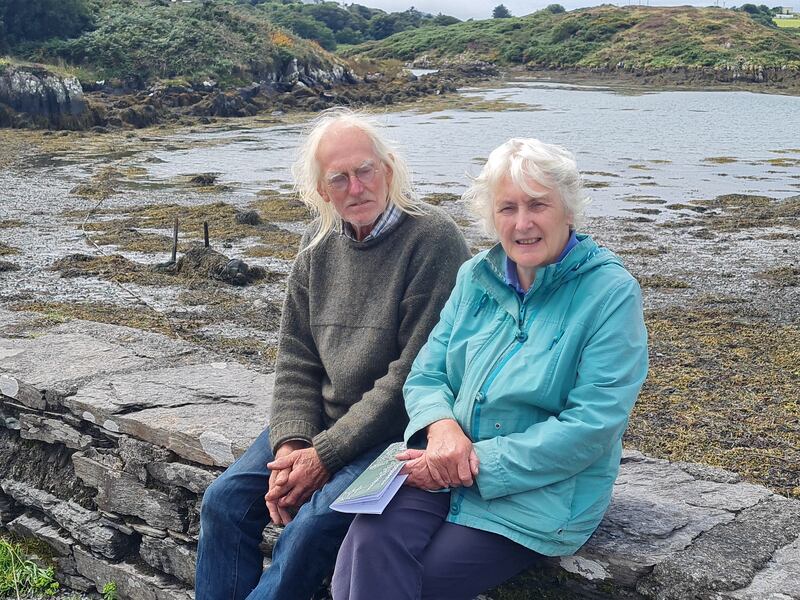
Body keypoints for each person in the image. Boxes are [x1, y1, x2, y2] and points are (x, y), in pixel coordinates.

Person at [332, 138, 649, 600]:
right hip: (443, 462)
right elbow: (426, 373)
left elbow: (592, 426)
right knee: (363, 549)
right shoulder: (475, 275)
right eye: (507, 208)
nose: (523, 223)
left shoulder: (610, 293)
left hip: (540, 489)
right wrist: (441, 430)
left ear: (569, 210)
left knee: (412, 583)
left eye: (538, 205)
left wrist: (472, 464)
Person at [195, 108, 470, 600]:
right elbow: (297, 358)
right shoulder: (316, 243)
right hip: (322, 424)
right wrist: (291, 447)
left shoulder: (434, 240)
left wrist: (323, 456)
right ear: (322, 190)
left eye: (365, 170)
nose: (356, 187)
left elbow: (411, 376)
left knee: (310, 529)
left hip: (395, 432)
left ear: (387, 168)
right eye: (338, 178)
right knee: (224, 502)